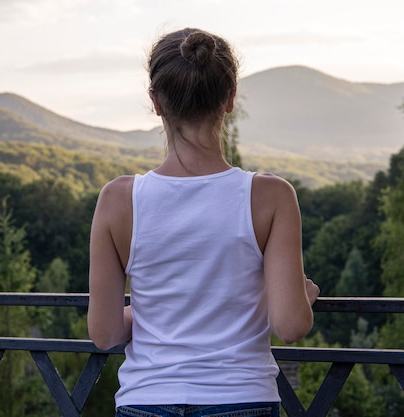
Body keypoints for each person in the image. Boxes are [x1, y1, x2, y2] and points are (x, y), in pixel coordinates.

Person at [88, 27, 319, 417]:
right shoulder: (272, 196)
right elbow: (291, 325)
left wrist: (156, 312)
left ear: (156, 102)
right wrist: (298, 296)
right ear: (230, 100)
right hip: (242, 398)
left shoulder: (117, 200)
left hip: (147, 400)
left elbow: (105, 332)